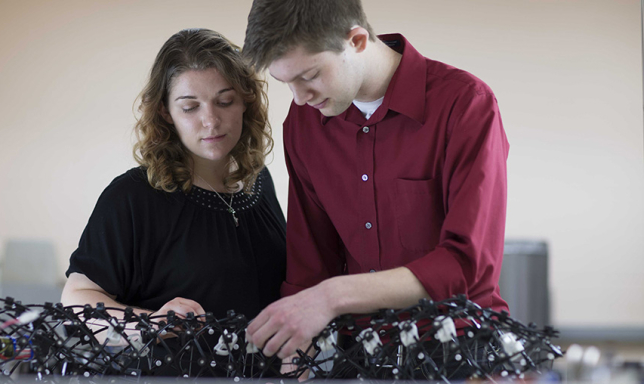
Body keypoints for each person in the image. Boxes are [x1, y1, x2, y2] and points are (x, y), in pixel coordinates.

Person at [241, 0, 510, 367]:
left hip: (462, 353)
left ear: (356, 41)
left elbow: (467, 264)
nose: (300, 97)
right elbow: (310, 263)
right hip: (358, 358)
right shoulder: (304, 122)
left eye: (309, 75)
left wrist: (334, 295)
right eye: (286, 82)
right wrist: (297, 350)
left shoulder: (465, 105)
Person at [62, 28, 286, 331]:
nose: (211, 120)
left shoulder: (259, 179)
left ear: (246, 102)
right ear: (166, 112)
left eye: (225, 101)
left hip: (267, 377)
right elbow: (78, 298)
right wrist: (150, 324)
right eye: (190, 107)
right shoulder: (132, 197)